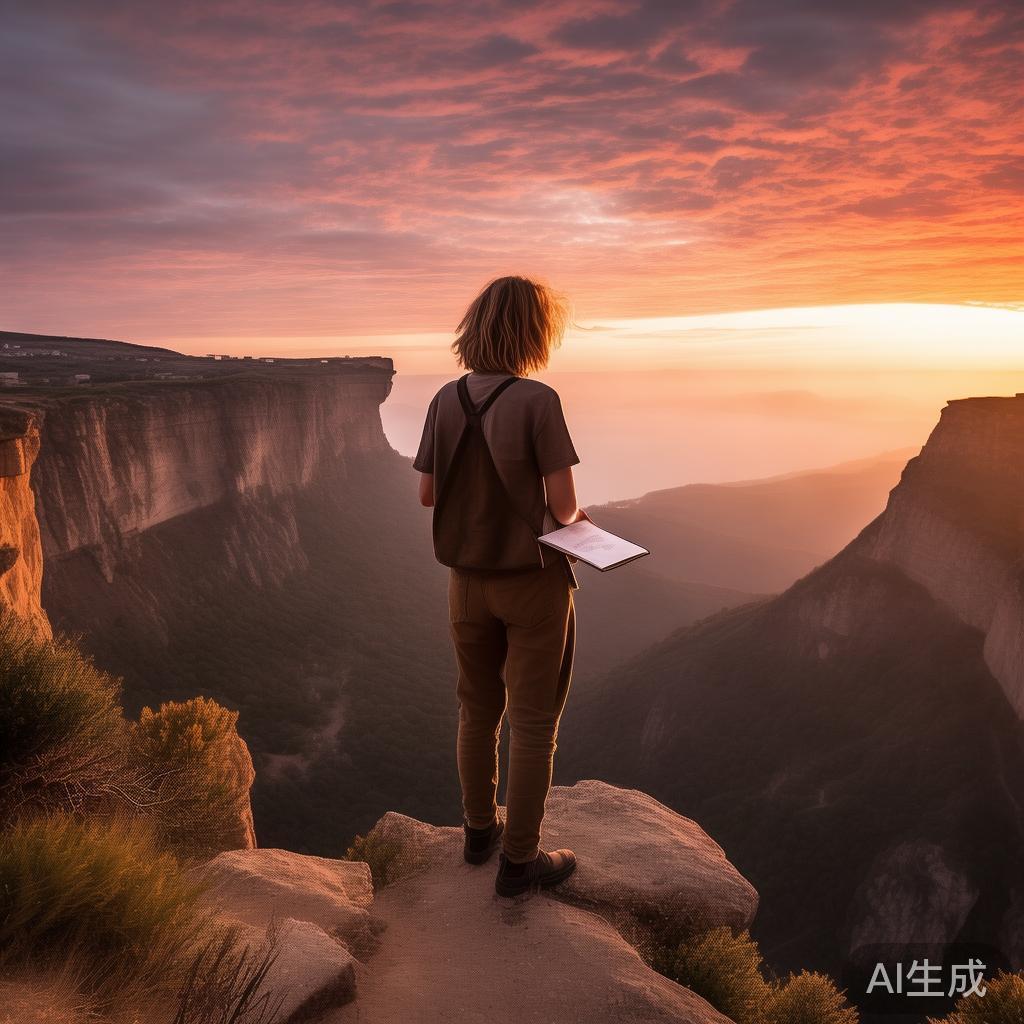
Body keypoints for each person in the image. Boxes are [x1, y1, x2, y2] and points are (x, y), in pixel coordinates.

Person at [413, 275, 586, 898]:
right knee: (534, 724)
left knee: (477, 711)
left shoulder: (444, 399)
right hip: (533, 584)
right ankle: (520, 863)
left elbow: (428, 494)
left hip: (465, 583)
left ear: (476, 325)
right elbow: (563, 508)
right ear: (533, 333)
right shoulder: (538, 400)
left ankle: (478, 834)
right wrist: (578, 524)